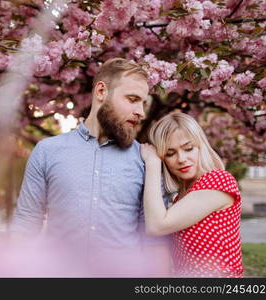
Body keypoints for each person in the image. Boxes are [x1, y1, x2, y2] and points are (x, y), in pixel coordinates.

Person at [9, 58, 170, 276]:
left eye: (143, 102)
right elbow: (26, 225)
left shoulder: (146, 160)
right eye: (132, 99)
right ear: (101, 92)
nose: (141, 112)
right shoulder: (47, 151)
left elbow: (154, 240)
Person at [140, 112, 243, 277]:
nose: (181, 159)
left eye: (188, 148)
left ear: (201, 146)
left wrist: (152, 163)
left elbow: (156, 226)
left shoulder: (218, 180)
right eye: (170, 153)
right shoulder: (179, 198)